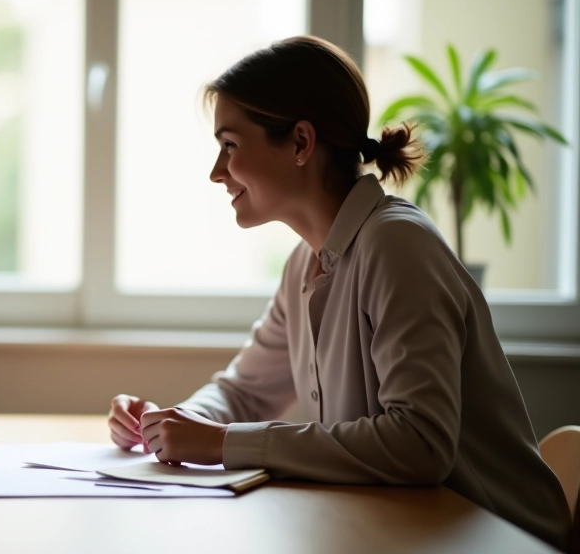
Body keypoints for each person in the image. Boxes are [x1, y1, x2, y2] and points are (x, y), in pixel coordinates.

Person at [107, 35, 570, 550]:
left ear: (301, 143)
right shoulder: (306, 262)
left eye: (231, 146)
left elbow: (420, 443)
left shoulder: (397, 246)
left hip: (498, 539)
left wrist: (221, 443)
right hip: (411, 532)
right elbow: (245, 392)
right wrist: (169, 423)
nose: (217, 172)